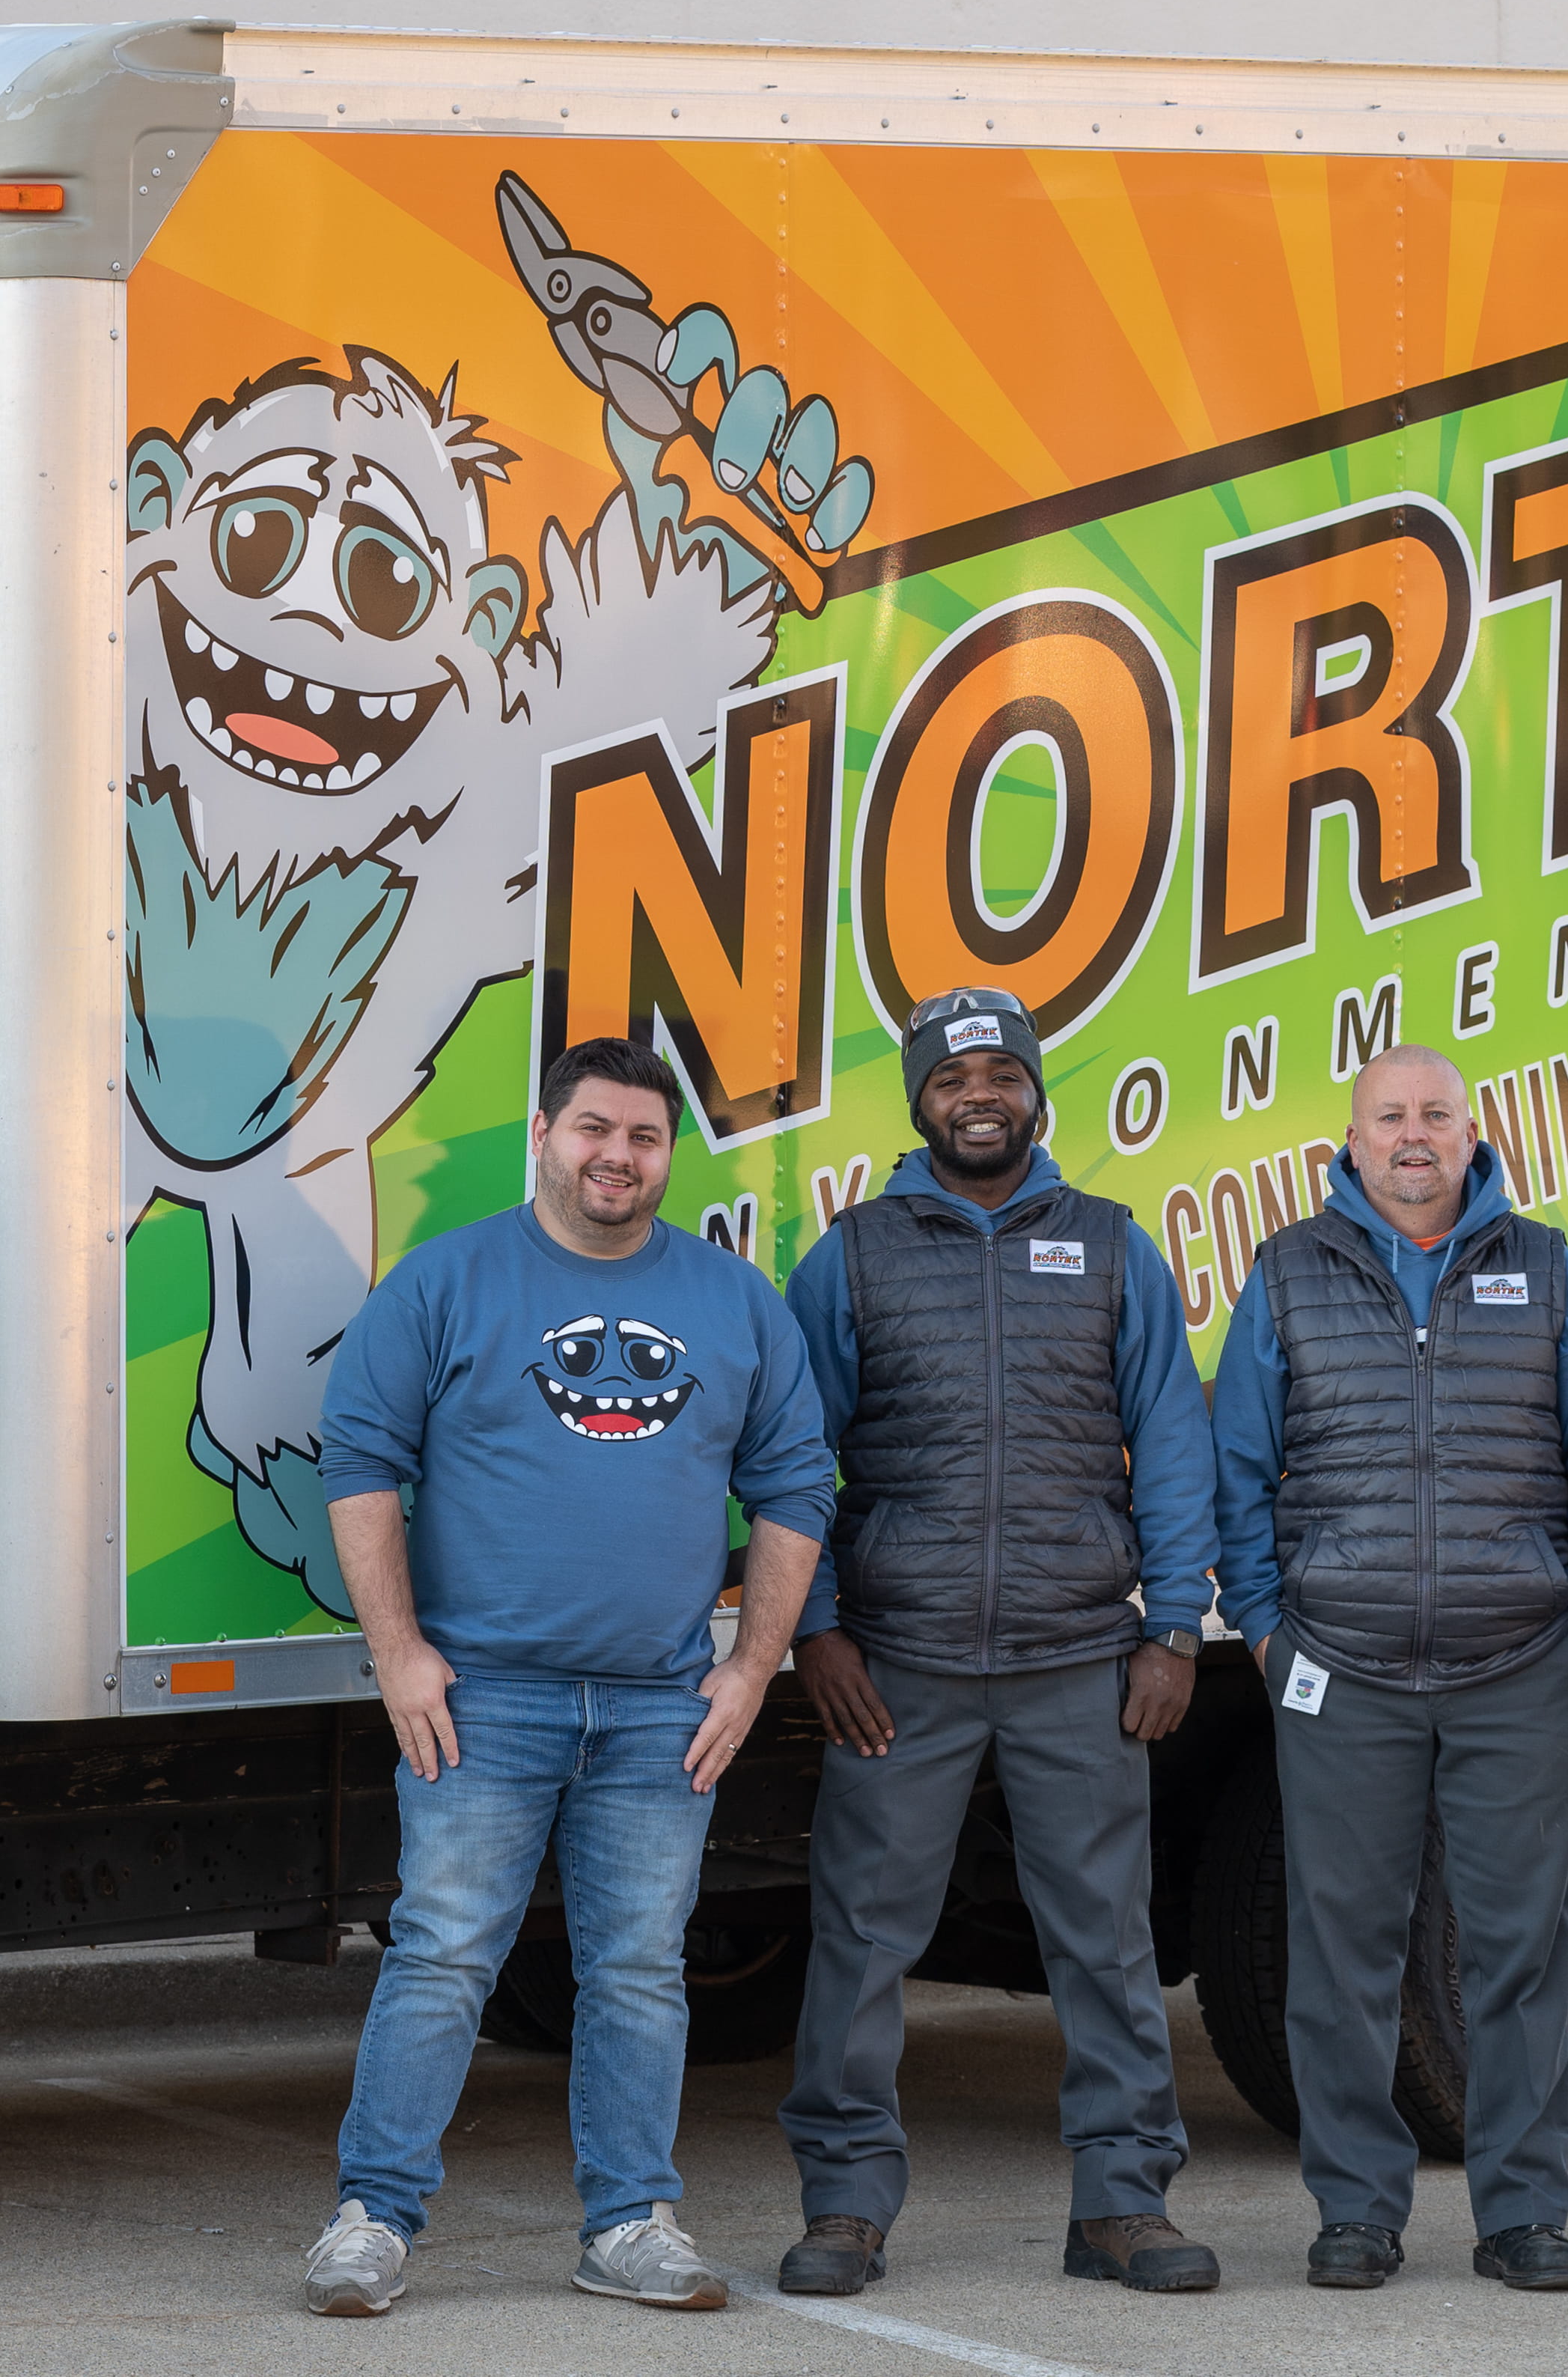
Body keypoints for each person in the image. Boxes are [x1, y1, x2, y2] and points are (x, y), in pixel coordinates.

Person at [299, 1035, 837, 2319]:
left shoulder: (732, 1301)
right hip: (483, 1696)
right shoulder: (450, 1283)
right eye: (595, 1129)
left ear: (667, 1156)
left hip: (662, 1705)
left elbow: (795, 1484)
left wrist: (753, 1668)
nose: (619, 1156)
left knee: (643, 1967)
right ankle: (372, 2221)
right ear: (543, 1136)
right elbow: (360, 1461)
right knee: (441, 1956)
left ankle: (631, 2226)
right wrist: (400, 1656)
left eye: (645, 1138)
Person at [767, 987, 1222, 2299]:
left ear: (1035, 1092)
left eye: (1001, 1072)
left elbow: (1173, 1446)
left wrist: (1174, 1629)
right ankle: (846, 2206)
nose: (980, 1092)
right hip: (897, 1664)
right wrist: (821, 1632)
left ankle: (1122, 2205)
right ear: (919, 1100)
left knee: (1107, 1942)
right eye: (953, 1074)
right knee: (862, 1937)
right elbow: (799, 1462)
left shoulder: (1114, 1247)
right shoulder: (849, 1256)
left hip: (1078, 1655)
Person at [1206, 1043, 1568, 2294]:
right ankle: (1355, 2211)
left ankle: (1522, 2216)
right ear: (1350, 1141)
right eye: (1389, 1116)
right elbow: (1240, 1468)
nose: (1412, 1135)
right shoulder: (1290, 1273)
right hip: (1338, 1666)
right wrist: (1271, 1628)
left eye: (1435, 1114)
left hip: (1520, 1666)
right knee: (1342, 1953)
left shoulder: (1547, 1272)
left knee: (1518, 1950)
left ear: (1471, 1132)